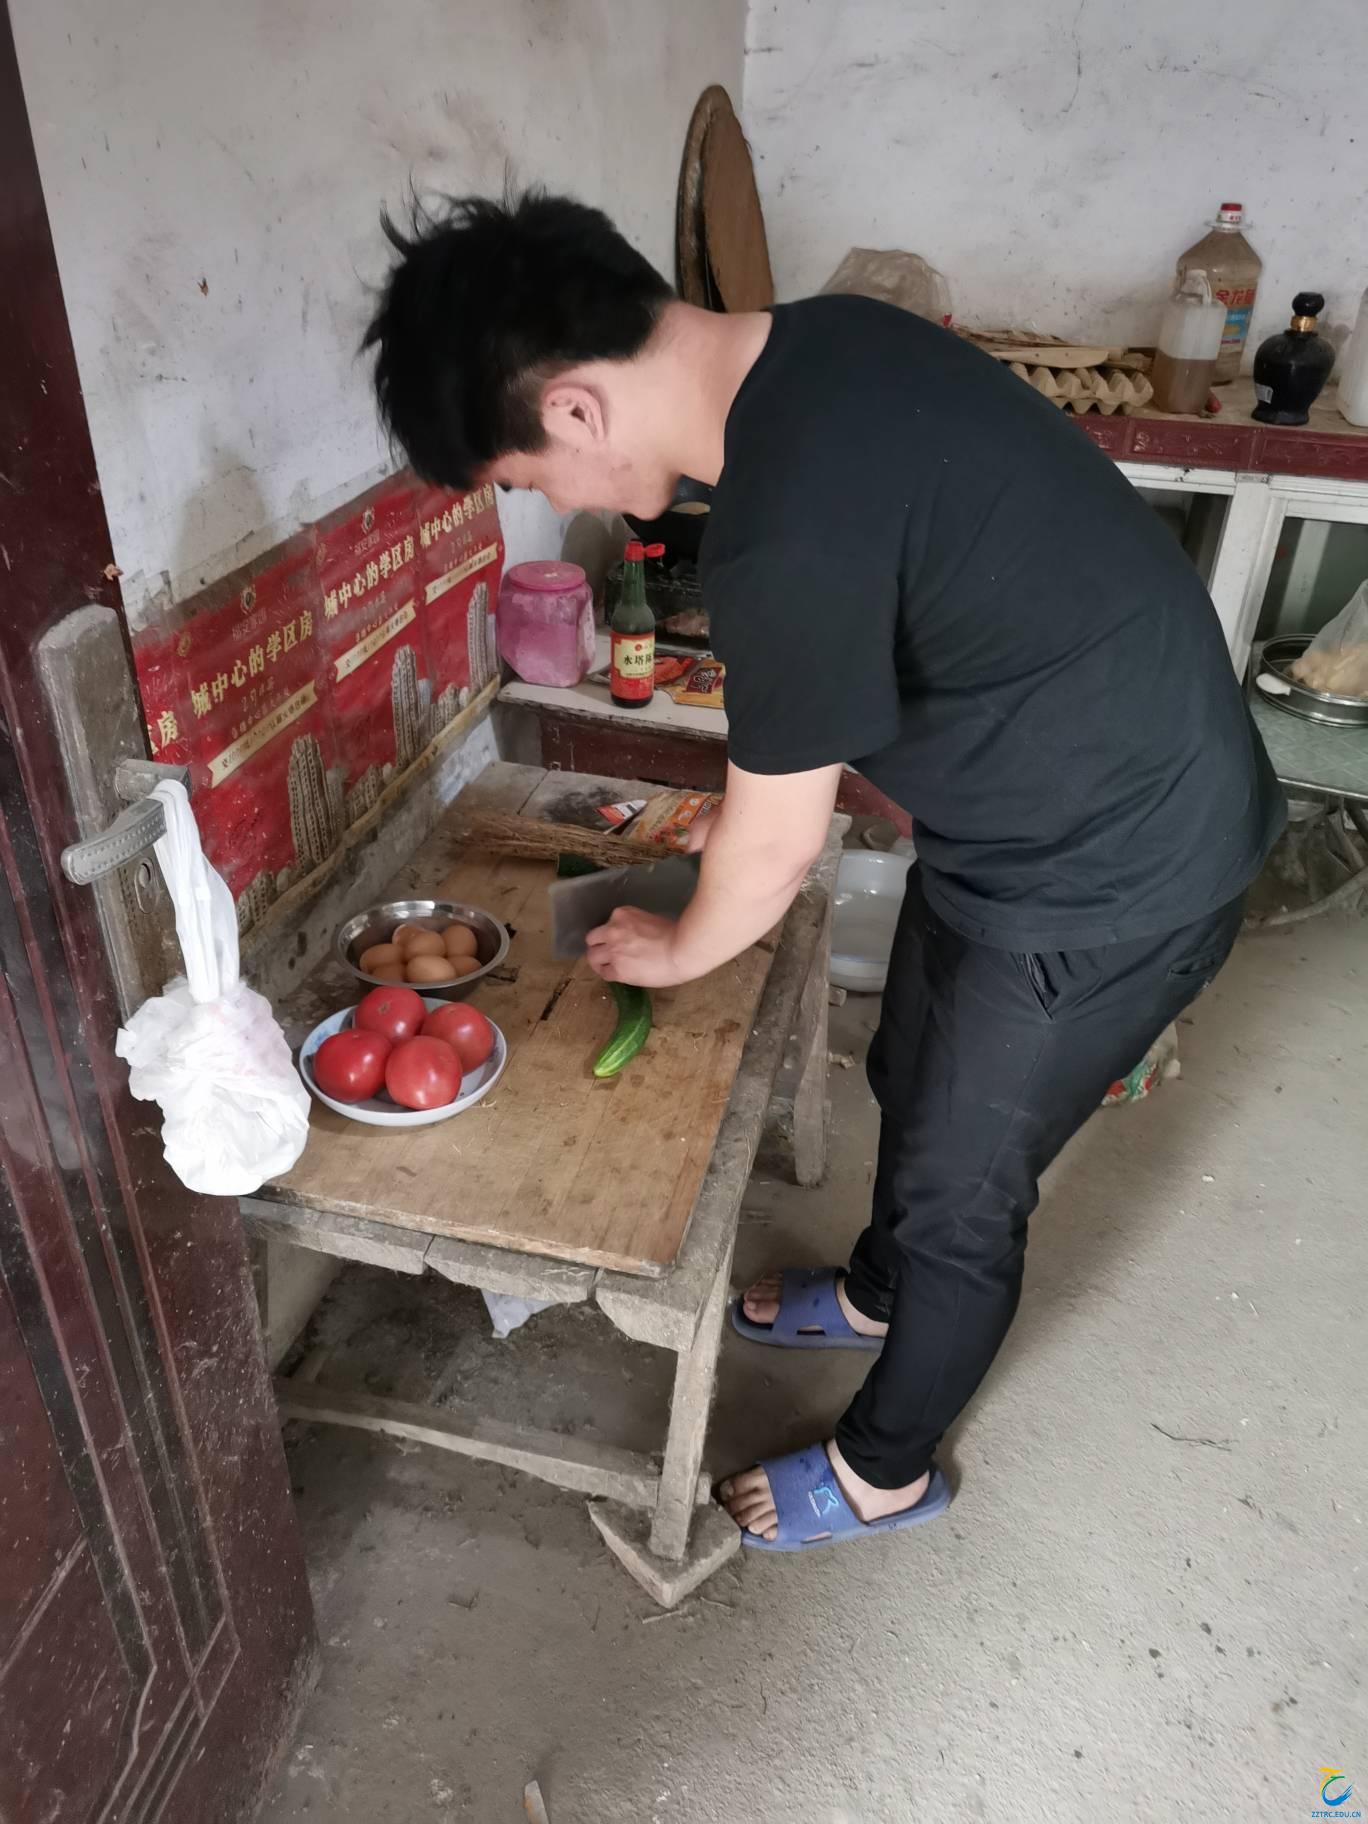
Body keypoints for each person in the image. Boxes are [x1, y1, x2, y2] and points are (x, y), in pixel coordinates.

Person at [365, 189, 1285, 1553]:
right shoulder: (829, 345)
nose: (550, 500)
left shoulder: (778, 527)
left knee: (965, 1196)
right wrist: (746, 821)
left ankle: (885, 1469)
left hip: (1116, 869)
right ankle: (874, 1293)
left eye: (525, 478)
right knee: (910, 1068)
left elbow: (783, 849)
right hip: (1035, 811)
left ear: (574, 410)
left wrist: (682, 937)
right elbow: (877, 656)